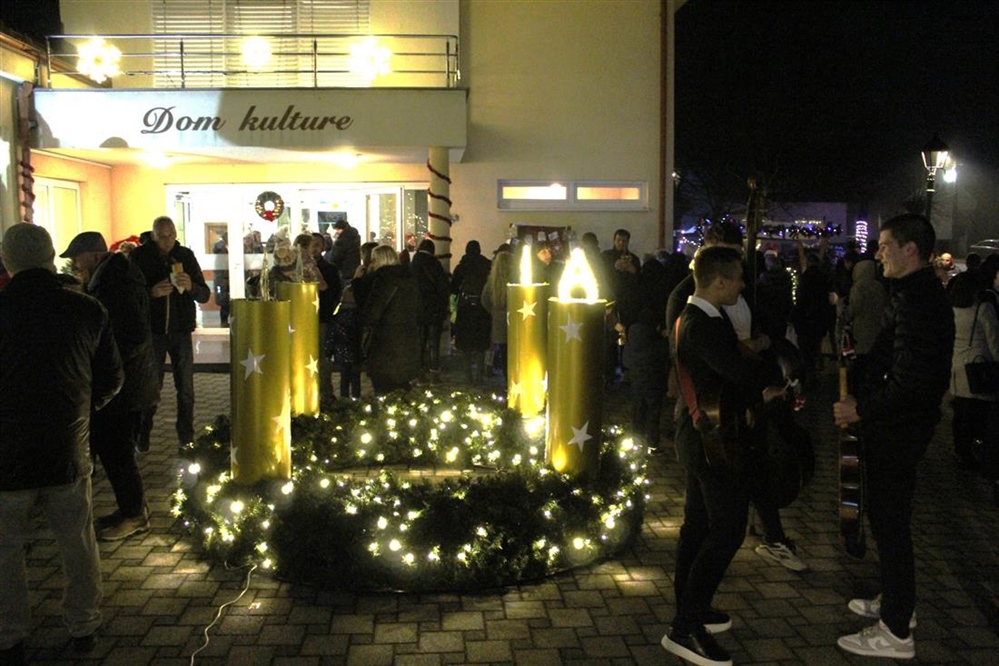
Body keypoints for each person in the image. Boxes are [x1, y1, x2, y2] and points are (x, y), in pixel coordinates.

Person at [833, 213, 954, 660]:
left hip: (899, 430)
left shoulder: (920, 301)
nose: (877, 252)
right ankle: (897, 601)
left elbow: (912, 381)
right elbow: (888, 355)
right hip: (897, 426)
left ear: (910, 250)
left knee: (890, 522)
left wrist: (859, 407)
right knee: (889, 520)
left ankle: (897, 630)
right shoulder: (910, 294)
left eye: (885, 245)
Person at [1, 224, 124, 662]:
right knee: (77, 540)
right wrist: (82, 412)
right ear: (53, 254)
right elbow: (112, 377)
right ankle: (83, 624)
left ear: (6, 260)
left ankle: (10, 632)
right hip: (67, 447)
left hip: (6, 454)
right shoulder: (86, 309)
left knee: (6, 549)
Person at [662, 246, 786, 666]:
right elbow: (741, 372)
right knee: (728, 530)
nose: (742, 285)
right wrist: (771, 376)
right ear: (718, 282)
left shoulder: (703, 318)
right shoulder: (703, 325)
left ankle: (692, 610)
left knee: (698, 526)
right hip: (711, 441)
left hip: (704, 436)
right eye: (736, 279)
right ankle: (684, 628)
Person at [60, 232, 159, 541]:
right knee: (115, 451)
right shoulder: (113, 277)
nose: (75, 265)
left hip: (124, 388)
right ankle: (130, 509)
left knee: (117, 453)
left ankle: (133, 515)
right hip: (125, 385)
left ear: (91, 256)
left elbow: (133, 334)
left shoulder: (118, 281)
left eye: (76, 259)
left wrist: (107, 363)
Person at [130, 216, 210, 449]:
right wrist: (150, 293)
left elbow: (204, 294)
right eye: (162, 236)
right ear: (153, 235)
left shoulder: (185, 255)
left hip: (181, 330)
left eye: (172, 235)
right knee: (152, 386)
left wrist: (191, 286)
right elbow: (129, 294)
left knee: (185, 386)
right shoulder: (139, 257)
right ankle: (142, 434)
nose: (168, 241)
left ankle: (186, 435)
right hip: (154, 332)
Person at [947, 271, 999, 469]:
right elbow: (994, 341)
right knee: (979, 415)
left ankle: (960, 451)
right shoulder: (983, 309)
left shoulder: (953, 309)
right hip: (978, 369)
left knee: (960, 413)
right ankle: (976, 453)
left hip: (957, 367)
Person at [360, 245, 422, 394]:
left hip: (385, 342)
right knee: (402, 386)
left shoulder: (383, 279)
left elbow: (372, 313)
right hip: (407, 339)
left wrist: (359, 282)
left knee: (384, 387)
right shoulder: (409, 278)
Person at [451, 241, 492, 385]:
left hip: (465, 308)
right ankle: (479, 377)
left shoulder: (462, 266)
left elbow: (454, 288)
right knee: (481, 344)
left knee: (465, 345)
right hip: (482, 308)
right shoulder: (487, 265)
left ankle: (468, 377)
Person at [410, 239, 450, 381]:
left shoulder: (413, 264)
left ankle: (420, 367)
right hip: (434, 308)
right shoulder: (435, 264)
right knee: (434, 341)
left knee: (421, 339)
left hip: (418, 308)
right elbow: (443, 287)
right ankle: (434, 368)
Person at [310, 232, 343, 403]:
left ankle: (326, 393)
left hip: (321, 318)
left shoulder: (329, 269)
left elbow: (335, 293)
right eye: (310, 244)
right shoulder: (295, 268)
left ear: (323, 247)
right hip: (300, 320)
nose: (313, 248)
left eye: (317, 245)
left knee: (322, 356)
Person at [481, 249, 513, 379]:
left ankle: (504, 379)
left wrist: (494, 312)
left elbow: (484, 300)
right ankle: (511, 379)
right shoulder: (515, 280)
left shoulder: (492, 282)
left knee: (503, 351)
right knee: (512, 352)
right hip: (513, 321)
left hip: (498, 322)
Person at [211, 231, 230, 327]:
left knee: (225, 301)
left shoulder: (224, 248)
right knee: (224, 301)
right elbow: (222, 264)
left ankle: (225, 321)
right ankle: (224, 322)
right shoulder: (221, 249)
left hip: (225, 277)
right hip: (222, 278)